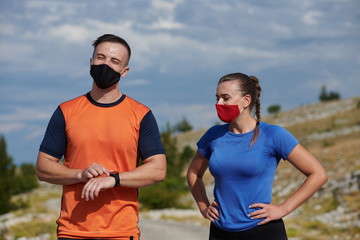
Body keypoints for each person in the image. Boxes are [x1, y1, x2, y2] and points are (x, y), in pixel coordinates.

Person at [36, 34, 167, 240]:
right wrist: (80, 174)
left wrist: (113, 180)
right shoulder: (66, 111)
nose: (105, 64)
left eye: (115, 61)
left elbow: (158, 170)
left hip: (122, 232)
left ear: (125, 71)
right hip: (72, 231)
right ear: (91, 61)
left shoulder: (141, 114)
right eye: (101, 57)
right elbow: (43, 168)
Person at [187, 72, 328, 240]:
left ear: (246, 100)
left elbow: (318, 174)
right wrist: (203, 206)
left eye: (225, 98)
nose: (219, 103)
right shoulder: (213, 136)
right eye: (217, 98)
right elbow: (194, 173)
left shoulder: (273, 135)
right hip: (220, 232)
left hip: (262, 230)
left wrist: (283, 209)